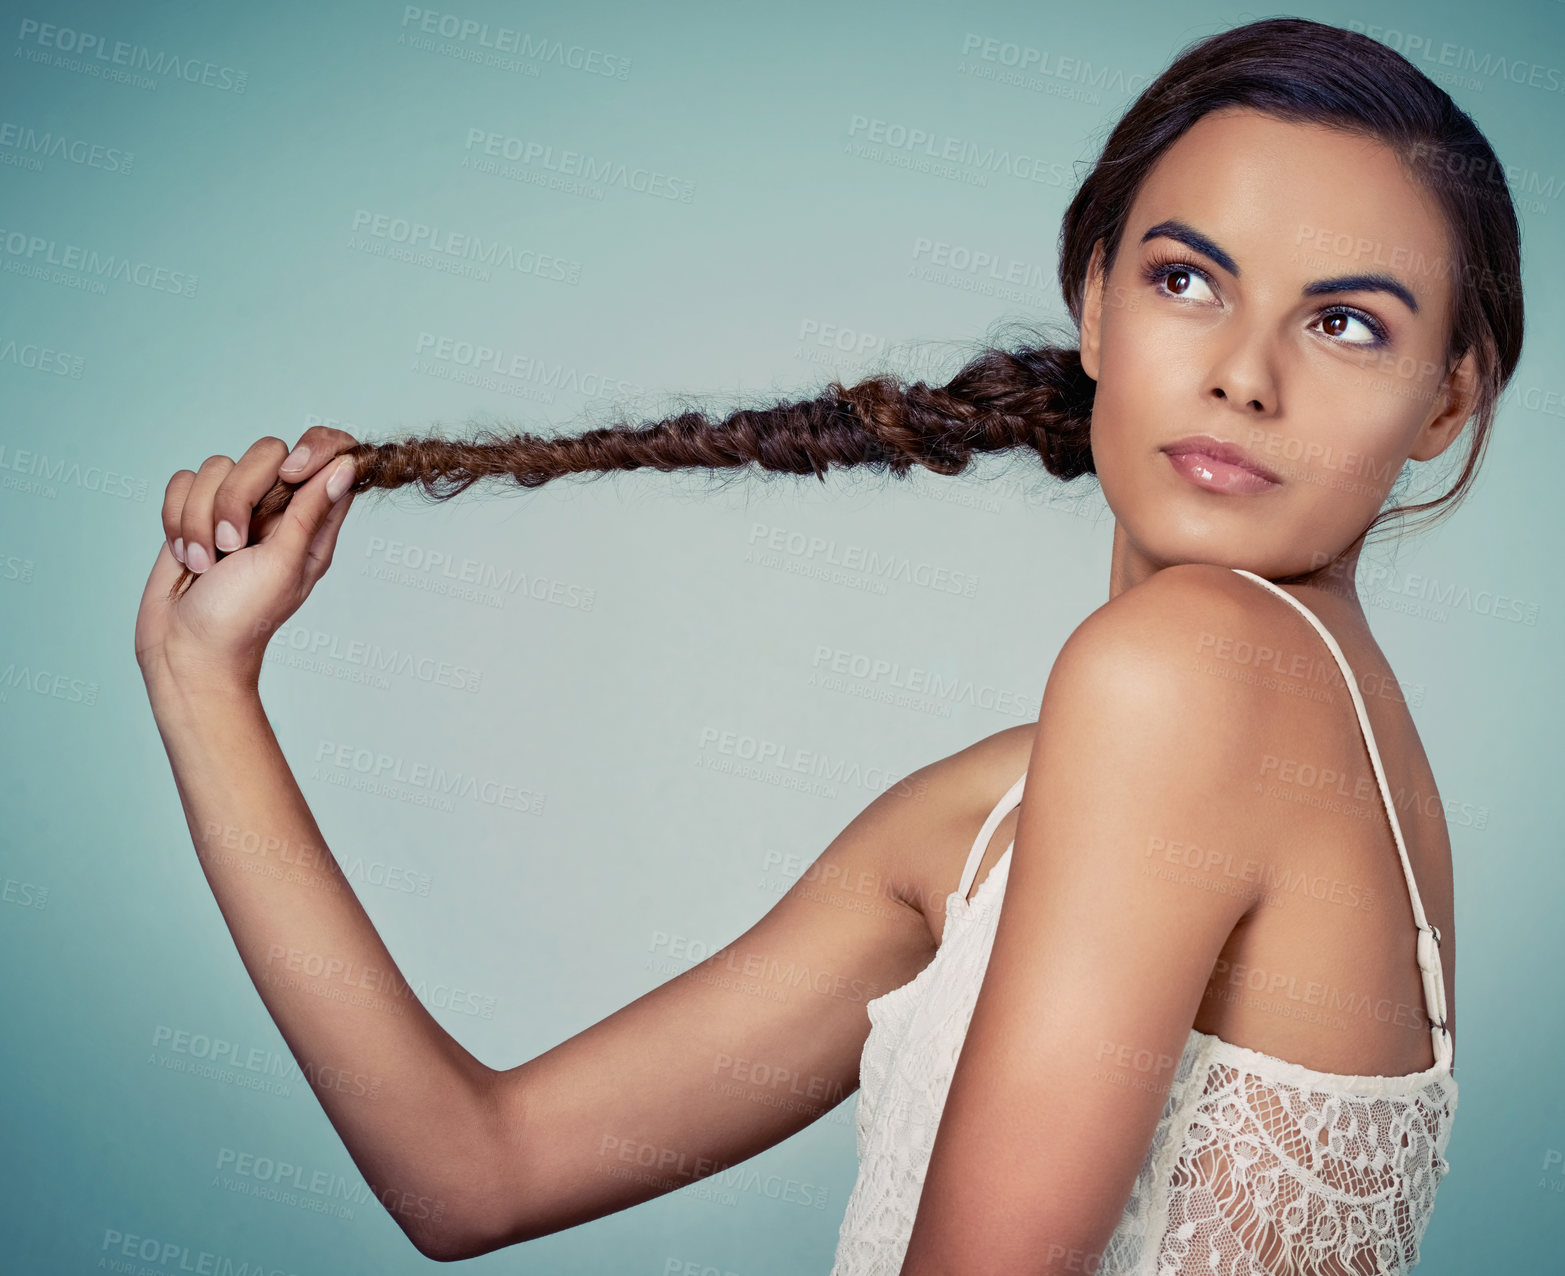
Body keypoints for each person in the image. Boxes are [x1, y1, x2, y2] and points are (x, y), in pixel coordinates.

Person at [134, 16, 1523, 1273]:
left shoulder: (1193, 665)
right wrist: (202, 682)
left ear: (1445, 397)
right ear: (1092, 301)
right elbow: (469, 1172)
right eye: (1185, 278)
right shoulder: (992, 812)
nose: (1242, 371)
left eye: (1344, 323)